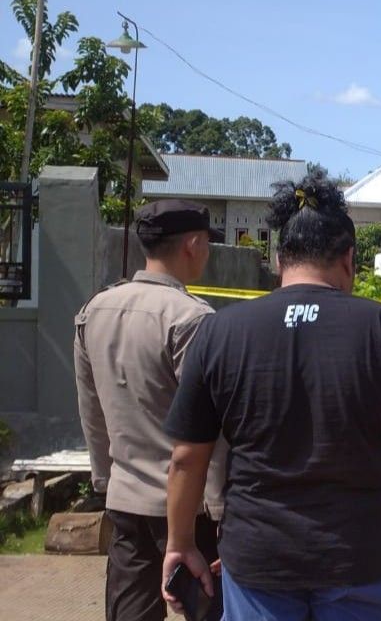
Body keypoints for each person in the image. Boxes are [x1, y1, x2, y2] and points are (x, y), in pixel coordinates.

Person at [161, 171, 381, 621]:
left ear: (279, 259)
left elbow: (186, 459)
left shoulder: (221, 331)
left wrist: (179, 544)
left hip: (259, 558)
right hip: (360, 556)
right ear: (349, 259)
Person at [73, 199, 226, 621]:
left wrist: (106, 482)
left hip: (126, 500)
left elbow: (92, 412)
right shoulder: (192, 318)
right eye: (207, 243)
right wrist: (221, 509)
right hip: (192, 509)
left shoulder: (93, 310)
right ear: (193, 244)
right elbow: (210, 427)